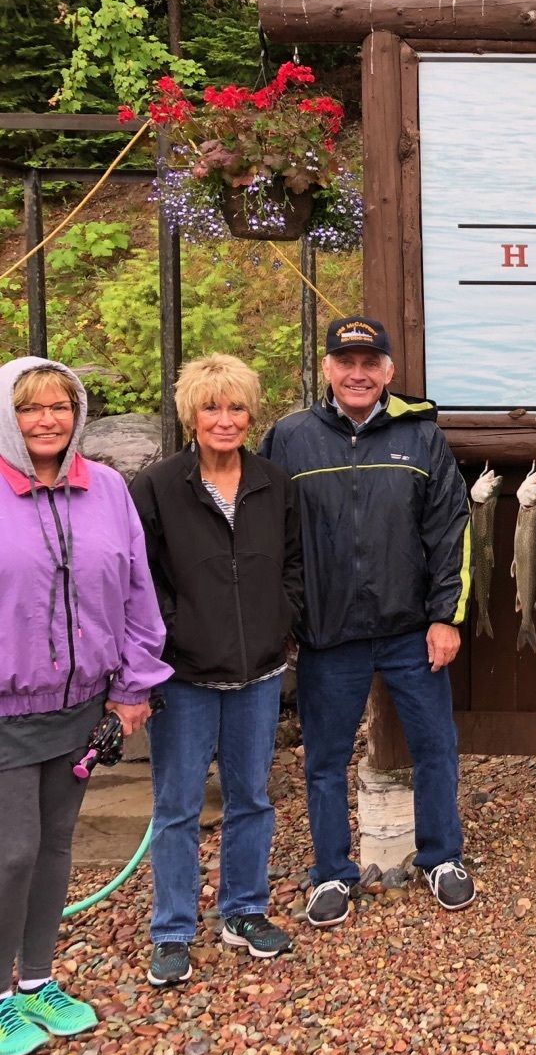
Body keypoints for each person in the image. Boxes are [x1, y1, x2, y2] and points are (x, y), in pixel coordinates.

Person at [259, 316, 475, 925]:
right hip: (328, 635)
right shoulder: (290, 438)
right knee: (324, 760)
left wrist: (445, 617)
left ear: (388, 372)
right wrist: (286, 618)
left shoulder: (422, 437)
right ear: (327, 368)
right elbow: (269, 538)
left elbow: (451, 531)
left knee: (436, 747)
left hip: (411, 629)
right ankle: (330, 872)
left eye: (369, 363)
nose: (358, 374)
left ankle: (441, 857)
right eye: (345, 362)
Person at [0, 358, 170, 1055]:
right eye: (30, 407)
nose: (47, 420)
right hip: (6, 710)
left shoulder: (105, 490)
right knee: (11, 853)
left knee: (55, 848)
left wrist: (133, 686)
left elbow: (136, 588)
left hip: (80, 705)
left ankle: (37, 979)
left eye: (60, 406)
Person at [132, 355, 304, 988]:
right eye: (212, 407)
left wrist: (281, 617)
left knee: (251, 799)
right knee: (176, 806)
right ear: (191, 414)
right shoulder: (154, 486)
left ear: (251, 414)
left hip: (258, 671)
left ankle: (244, 911)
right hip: (183, 675)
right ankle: (173, 929)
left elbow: (294, 563)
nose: (224, 419)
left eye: (235, 407)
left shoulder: (274, 483)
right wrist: (170, 634)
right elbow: (141, 575)